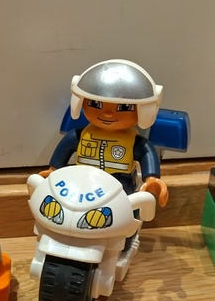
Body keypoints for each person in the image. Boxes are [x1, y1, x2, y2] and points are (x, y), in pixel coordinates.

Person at [40, 59, 168, 207]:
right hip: (82, 182)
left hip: (120, 184)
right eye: (95, 104)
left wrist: (151, 178)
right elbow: (63, 150)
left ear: (144, 110)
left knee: (125, 207)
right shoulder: (79, 136)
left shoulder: (135, 142)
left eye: (123, 107)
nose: (107, 114)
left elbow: (147, 154)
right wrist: (54, 170)